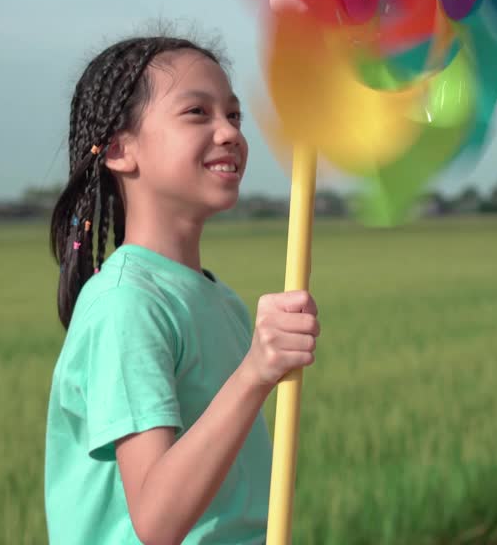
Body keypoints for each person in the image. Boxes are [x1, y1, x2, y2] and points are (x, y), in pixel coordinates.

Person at [43, 30, 321, 545]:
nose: (229, 132)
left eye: (234, 115)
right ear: (120, 150)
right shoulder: (128, 304)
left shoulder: (220, 300)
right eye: (198, 113)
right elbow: (157, 520)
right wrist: (256, 373)